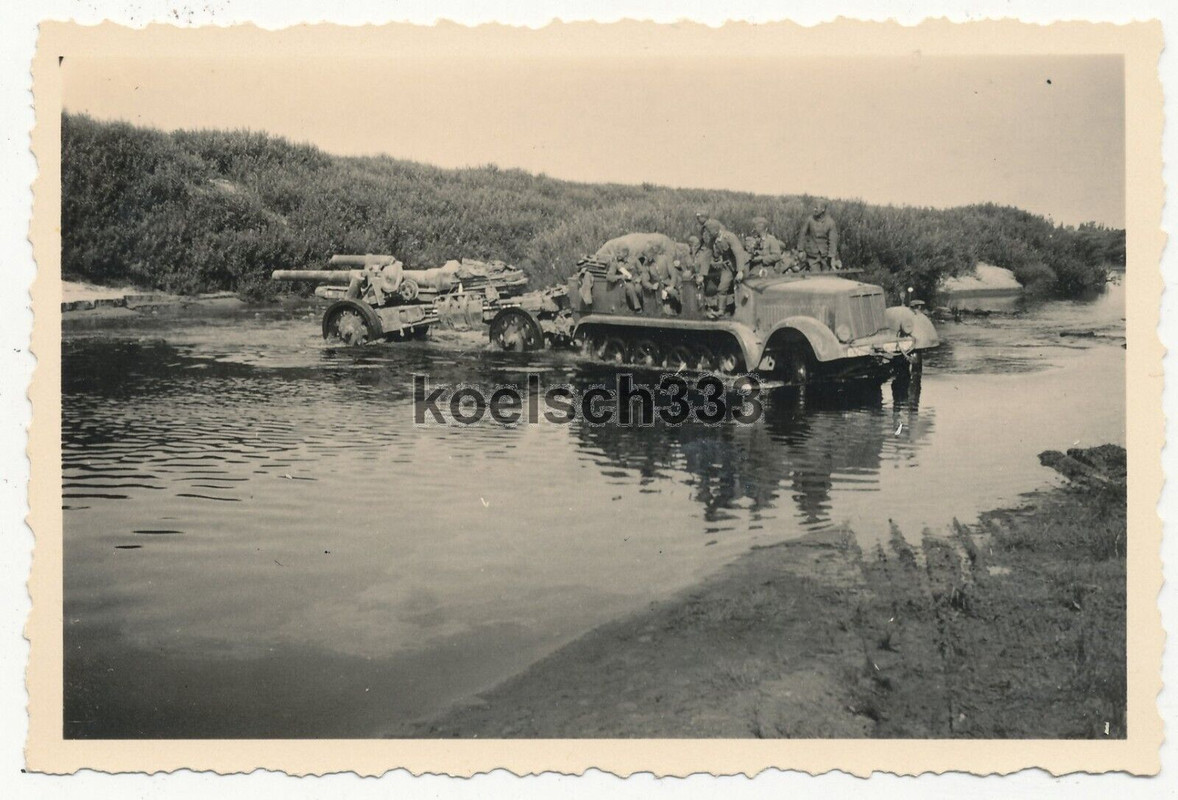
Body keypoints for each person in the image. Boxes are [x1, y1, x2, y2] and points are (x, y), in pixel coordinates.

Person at [702, 218, 749, 313]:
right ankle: (721, 310)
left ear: (716, 230)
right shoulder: (713, 240)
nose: (708, 234)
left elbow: (738, 253)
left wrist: (740, 271)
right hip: (728, 265)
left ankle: (744, 311)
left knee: (744, 288)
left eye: (709, 231)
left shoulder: (729, 237)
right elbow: (707, 256)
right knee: (722, 287)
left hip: (742, 263)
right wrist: (702, 274)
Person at [796, 200, 841, 271]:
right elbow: (802, 233)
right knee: (814, 277)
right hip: (812, 255)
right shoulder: (809, 220)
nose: (814, 209)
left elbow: (833, 241)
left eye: (816, 208)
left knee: (826, 277)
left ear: (823, 209)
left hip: (825, 256)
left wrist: (832, 257)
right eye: (814, 208)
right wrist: (800, 250)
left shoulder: (830, 222)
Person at [605, 245, 643, 311]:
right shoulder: (616, 263)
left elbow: (643, 272)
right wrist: (621, 277)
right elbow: (609, 276)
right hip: (623, 284)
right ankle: (637, 308)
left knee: (638, 289)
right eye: (617, 253)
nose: (617, 255)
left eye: (619, 253)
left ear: (625, 253)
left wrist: (639, 279)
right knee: (630, 287)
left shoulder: (634, 260)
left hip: (636, 282)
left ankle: (642, 307)